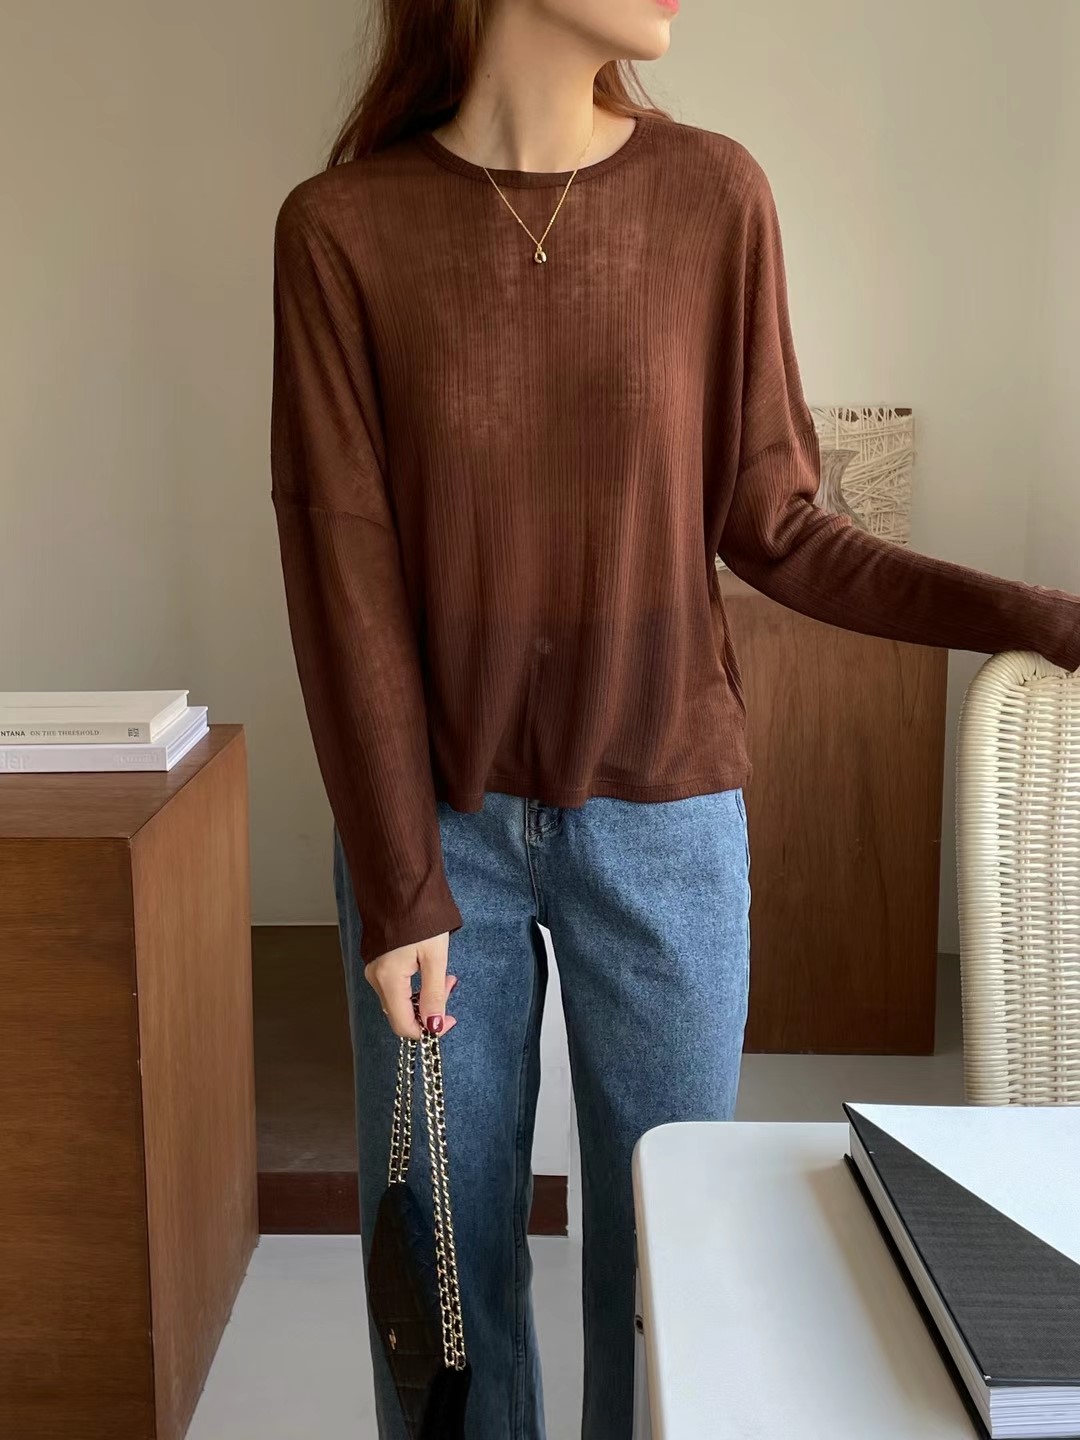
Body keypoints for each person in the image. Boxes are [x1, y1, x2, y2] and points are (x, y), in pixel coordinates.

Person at [269, 2, 1080, 1436]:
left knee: (668, 1263)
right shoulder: (341, 230)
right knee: (446, 1273)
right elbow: (345, 572)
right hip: (433, 836)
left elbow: (780, 528)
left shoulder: (714, 196)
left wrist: (1045, 617)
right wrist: (398, 881)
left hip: (668, 820)